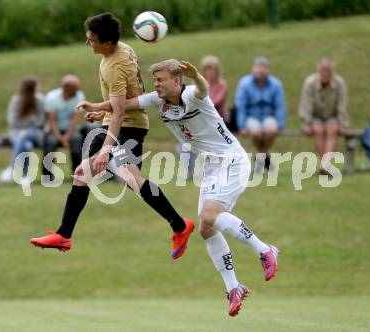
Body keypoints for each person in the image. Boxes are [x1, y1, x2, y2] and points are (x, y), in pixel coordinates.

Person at [92, 59, 279, 317]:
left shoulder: (192, 94)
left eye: (161, 79)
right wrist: (98, 108)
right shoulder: (158, 101)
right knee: (206, 228)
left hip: (231, 161)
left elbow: (202, 88)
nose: (156, 84)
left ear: (177, 81)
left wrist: (196, 75)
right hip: (211, 168)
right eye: (155, 79)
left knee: (210, 216)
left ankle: (265, 250)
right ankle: (234, 287)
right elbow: (125, 104)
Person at [30, 12, 194, 260]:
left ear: (107, 43)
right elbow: (121, 103)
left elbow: (120, 112)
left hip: (126, 126)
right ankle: (64, 235)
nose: (88, 43)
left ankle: (180, 226)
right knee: (84, 174)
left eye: (91, 39)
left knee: (130, 179)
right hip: (117, 123)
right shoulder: (117, 51)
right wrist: (100, 109)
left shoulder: (116, 65)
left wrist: (106, 149)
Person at [235, 57, 286, 171]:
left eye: (263, 68)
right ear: (253, 68)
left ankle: (260, 155)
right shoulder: (244, 84)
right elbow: (241, 106)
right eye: (258, 67)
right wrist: (242, 125)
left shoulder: (276, 85)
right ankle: (265, 156)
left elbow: (280, 106)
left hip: (269, 116)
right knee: (256, 132)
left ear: (268, 69)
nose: (260, 70)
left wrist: (280, 123)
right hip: (251, 116)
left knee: (272, 130)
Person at [299, 58, 348, 172]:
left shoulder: (339, 83)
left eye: (328, 71)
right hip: (315, 117)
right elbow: (306, 105)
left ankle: (325, 165)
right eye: (323, 71)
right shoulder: (310, 83)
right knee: (318, 130)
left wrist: (342, 124)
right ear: (318, 71)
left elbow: (342, 105)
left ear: (332, 72)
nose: (325, 74)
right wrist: (307, 125)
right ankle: (326, 165)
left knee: (332, 129)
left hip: (332, 117)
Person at [0, 76, 45, 186]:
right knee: (27, 145)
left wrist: (26, 128)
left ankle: (12, 168)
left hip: (35, 133)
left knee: (24, 136)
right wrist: (27, 125)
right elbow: (12, 121)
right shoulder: (15, 101)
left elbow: (41, 121)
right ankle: (24, 177)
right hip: (16, 133)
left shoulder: (39, 100)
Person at [42, 75, 85, 180]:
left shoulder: (79, 96)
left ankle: (76, 175)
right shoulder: (52, 98)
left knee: (76, 141)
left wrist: (67, 136)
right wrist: (60, 137)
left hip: (70, 129)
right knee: (50, 143)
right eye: (75, 88)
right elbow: (52, 121)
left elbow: (75, 119)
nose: (78, 90)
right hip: (53, 130)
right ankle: (47, 176)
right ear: (67, 88)